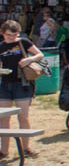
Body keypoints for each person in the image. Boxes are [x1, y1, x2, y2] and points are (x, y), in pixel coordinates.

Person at [0, 20, 44, 158]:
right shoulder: (1, 46)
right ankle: (4, 150)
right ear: (2, 34)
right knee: (4, 118)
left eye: (14, 35)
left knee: (23, 117)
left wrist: (29, 60)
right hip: (5, 83)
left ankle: (26, 147)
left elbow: (40, 54)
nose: (12, 38)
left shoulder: (23, 42)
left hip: (22, 83)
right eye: (8, 35)